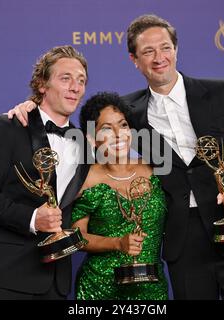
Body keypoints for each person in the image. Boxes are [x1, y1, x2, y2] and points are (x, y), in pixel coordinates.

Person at [7, 15, 224, 300]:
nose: (159, 58)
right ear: (134, 59)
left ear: (176, 50)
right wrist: (33, 106)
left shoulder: (221, 91)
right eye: (148, 51)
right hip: (182, 241)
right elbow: (86, 125)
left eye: (165, 47)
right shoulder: (129, 110)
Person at [0, 45, 89, 299]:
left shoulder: (84, 144)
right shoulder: (8, 126)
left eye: (81, 81)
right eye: (65, 78)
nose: (75, 87)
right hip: (7, 279)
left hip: (56, 283)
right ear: (42, 84)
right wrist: (33, 218)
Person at [71, 92, 168, 300]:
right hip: (99, 289)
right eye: (106, 128)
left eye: (122, 125)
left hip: (151, 288)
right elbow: (77, 237)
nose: (118, 134)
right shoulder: (85, 179)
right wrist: (117, 243)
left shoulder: (154, 168)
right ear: (92, 138)